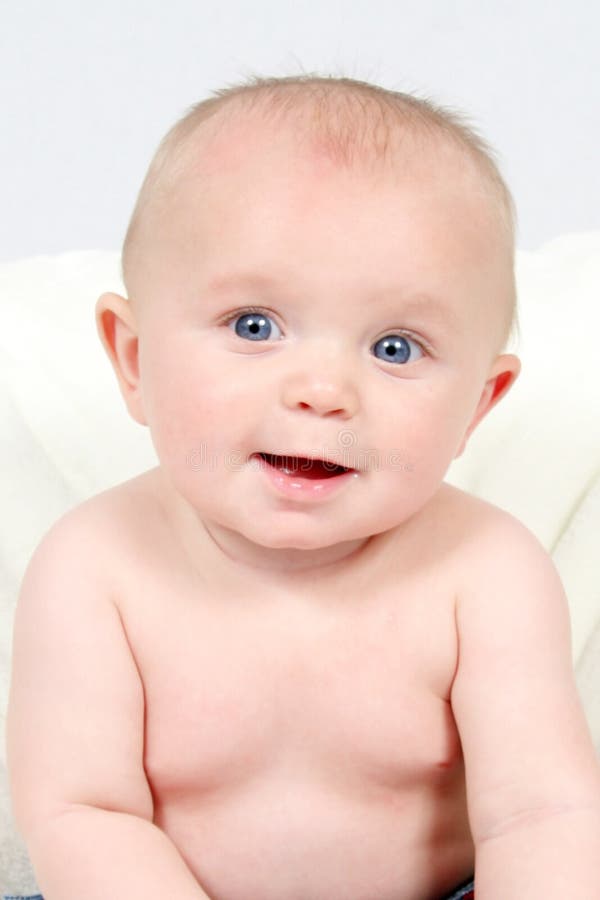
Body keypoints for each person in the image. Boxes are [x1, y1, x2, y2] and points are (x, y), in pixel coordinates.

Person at [6, 75, 600, 900]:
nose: (323, 390)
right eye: (255, 326)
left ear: (478, 406)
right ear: (134, 360)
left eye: (395, 347)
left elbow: (541, 815)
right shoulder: (95, 568)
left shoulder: (487, 571)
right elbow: (83, 813)